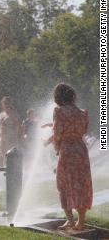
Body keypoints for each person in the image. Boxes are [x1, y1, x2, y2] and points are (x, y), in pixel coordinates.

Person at [48, 83, 92, 231]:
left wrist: (56, 148)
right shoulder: (83, 112)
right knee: (81, 183)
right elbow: (84, 130)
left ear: (58, 97)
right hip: (80, 150)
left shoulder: (58, 111)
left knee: (64, 184)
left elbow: (58, 133)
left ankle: (70, 220)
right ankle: (80, 222)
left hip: (67, 150)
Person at [0, 96, 21, 167]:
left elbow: (18, 126)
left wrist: (18, 137)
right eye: (5, 103)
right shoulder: (1, 114)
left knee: (9, 156)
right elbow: (0, 126)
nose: (6, 105)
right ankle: (0, 172)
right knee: (0, 154)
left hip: (11, 138)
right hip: (2, 138)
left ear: (10, 104)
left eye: (8, 103)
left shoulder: (14, 114)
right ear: (2, 104)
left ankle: (10, 170)